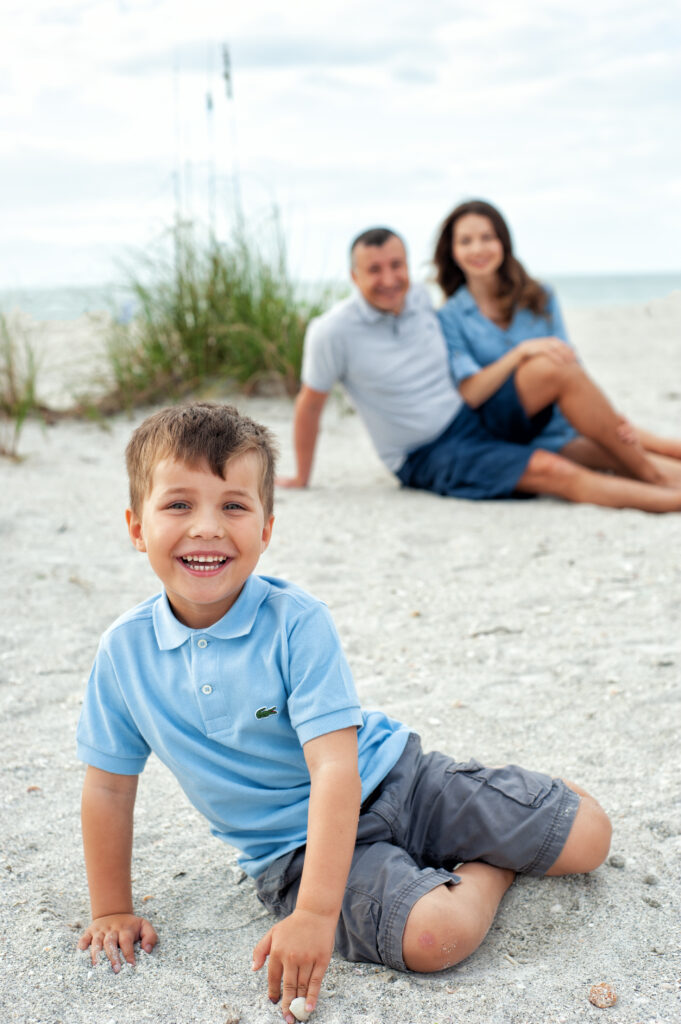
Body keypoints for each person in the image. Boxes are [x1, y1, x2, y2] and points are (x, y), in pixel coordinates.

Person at [76, 402, 611, 1024]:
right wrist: (111, 907)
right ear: (136, 527)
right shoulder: (123, 652)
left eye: (233, 505)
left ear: (266, 528)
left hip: (397, 780)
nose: (207, 527)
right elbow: (110, 788)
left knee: (590, 837)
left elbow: (336, 769)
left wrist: (317, 918)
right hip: (296, 850)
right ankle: (485, 866)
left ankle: (495, 810)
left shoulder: (296, 621)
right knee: (437, 938)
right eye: (178, 505)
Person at [278, 227, 681, 512]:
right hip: (428, 452)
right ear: (354, 276)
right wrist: (301, 476)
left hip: (473, 416)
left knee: (556, 370)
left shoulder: (419, 298)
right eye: (374, 270)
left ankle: (655, 474)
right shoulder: (332, 331)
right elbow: (310, 405)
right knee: (554, 467)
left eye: (396, 266)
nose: (389, 279)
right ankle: (671, 499)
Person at [434, 198, 681, 490]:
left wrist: (607, 416)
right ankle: (657, 479)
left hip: (572, 416)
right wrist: (520, 354)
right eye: (466, 241)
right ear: (453, 251)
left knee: (658, 444)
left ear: (503, 242)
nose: (478, 249)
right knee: (634, 461)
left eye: (487, 237)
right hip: (528, 433)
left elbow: (571, 365)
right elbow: (471, 393)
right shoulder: (449, 316)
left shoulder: (539, 296)